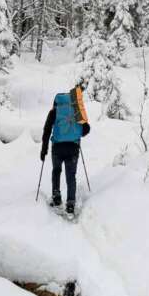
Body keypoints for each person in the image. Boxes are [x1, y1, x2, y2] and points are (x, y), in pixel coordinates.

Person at [41, 86, 90, 215]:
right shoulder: (77, 110)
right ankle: (70, 204)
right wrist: (76, 131)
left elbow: (46, 130)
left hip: (57, 147)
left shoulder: (54, 111)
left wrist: (44, 149)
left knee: (56, 171)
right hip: (73, 147)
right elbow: (86, 130)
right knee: (71, 176)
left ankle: (56, 198)